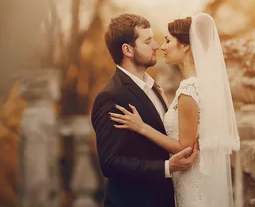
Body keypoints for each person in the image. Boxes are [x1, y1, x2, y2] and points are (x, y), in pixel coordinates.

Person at [109, 13, 239, 207]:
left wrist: (141, 127)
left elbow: (184, 147)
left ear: (185, 45)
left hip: (191, 185)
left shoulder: (189, 90)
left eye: (168, 40)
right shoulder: (199, 86)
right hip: (196, 180)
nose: (161, 47)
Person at [91, 13, 199, 207]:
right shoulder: (111, 96)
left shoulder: (154, 88)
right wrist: (167, 167)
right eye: (148, 41)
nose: (156, 46)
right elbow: (111, 163)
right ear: (128, 50)